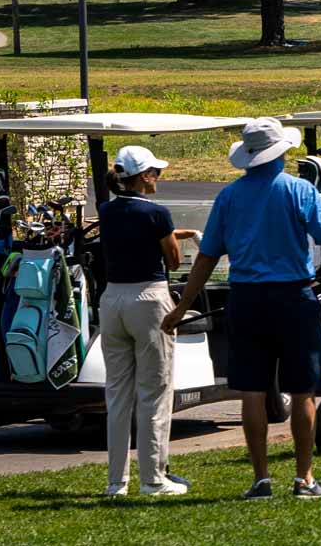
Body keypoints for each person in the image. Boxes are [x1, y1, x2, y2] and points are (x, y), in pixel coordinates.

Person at [162, 118, 321, 500]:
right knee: (303, 390)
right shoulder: (299, 191)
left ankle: (261, 479)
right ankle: (303, 477)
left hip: (245, 299)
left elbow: (206, 257)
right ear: (282, 152)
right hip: (293, 298)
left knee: (252, 393)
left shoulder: (229, 196)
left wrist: (182, 308)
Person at [97, 144, 200, 497]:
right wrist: (178, 237)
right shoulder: (158, 213)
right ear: (143, 177)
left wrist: (176, 232)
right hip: (149, 299)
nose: (159, 178)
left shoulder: (107, 210)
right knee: (154, 393)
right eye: (156, 172)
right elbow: (172, 261)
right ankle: (153, 479)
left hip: (113, 300)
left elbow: (139, 233)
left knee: (118, 395)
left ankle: (116, 482)